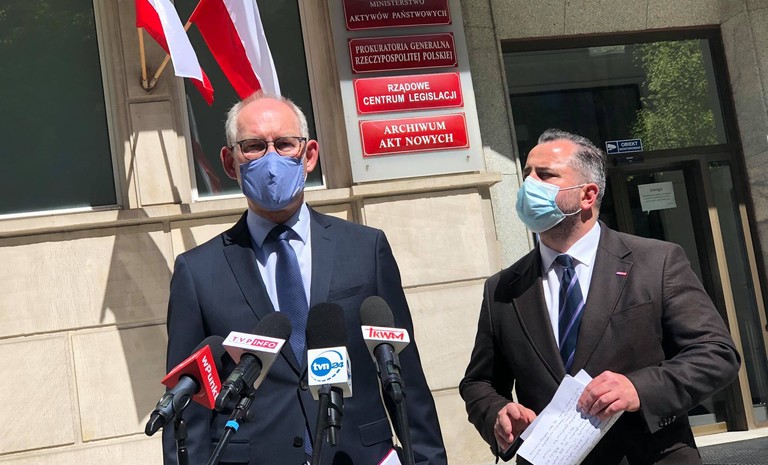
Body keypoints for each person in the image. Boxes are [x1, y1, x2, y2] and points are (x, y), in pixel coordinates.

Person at [163, 91, 447, 465]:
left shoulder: (365, 248)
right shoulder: (197, 271)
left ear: (309, 155)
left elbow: (404, 375)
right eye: (253, 147)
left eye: (284, 144)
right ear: (230, 163)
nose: (271, 160)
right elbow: (189, 409)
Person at [460, 128, 740, 464]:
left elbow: (716, 354)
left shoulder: (657, 261)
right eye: (527, 174)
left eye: (545, 175)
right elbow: (479, 382)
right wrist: (497, 413)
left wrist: (639, 388)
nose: (529, 185)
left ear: (588, 195)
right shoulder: (503, 288)